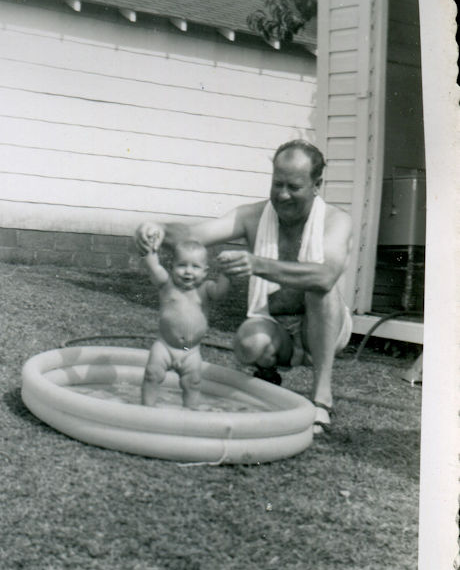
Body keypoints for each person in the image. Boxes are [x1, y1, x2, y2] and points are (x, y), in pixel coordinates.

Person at [135, 140, 353, 435]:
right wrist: (157, 229)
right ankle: (269, 372)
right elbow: (193, 235)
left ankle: (321, 398)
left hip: (325, 325)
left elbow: (325, 276)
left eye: (294, 187)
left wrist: (258, 264)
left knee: (320, 290)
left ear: (317, 185)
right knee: (248, 344)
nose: (283, 194)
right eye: (277, 184)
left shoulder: (336, 220)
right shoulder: (252, 216)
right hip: (276, 323)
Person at [140, 236, 231, 409]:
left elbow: (220, 293)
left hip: (191, 351)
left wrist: (226, 272)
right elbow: (154, 267)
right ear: (172, 267)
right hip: (165, 346)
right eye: (182, 265)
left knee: (193, 383)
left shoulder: (205, 289)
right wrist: (149, 247)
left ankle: (190, 415)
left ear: (205, 271)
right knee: (152, 374)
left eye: (195, 267)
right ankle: (146, 410)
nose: (188, 271)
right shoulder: (167, 285)